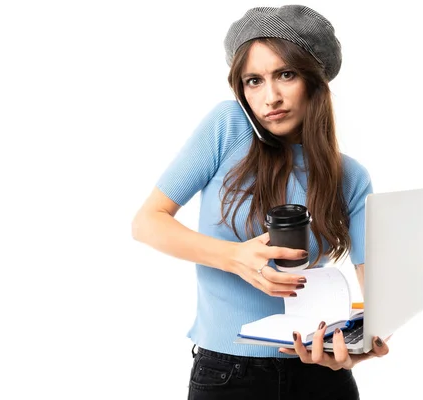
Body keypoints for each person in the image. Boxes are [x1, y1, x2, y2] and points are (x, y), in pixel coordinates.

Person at [132, 5, 390, 399]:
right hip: (227, 375)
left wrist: (358, 347)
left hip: (320, 374)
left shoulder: (351, 176)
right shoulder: (228, 126)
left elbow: (380, 296)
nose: (270, 97)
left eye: (286, 74)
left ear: (314, 79)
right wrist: (233, 257)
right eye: (254, 81)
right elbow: (148, 221)